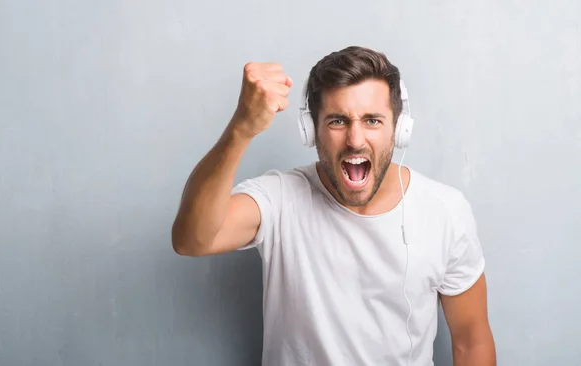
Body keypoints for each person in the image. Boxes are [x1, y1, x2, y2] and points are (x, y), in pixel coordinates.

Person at [171, 46, 496, 366]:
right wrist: (242, 129)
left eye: (372, 120)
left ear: (399, 129)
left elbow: (471, 340)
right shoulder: (279, 198)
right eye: (338, 121)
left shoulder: (445, 211)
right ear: (311, 131)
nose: (355, 140)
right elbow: (191, 240)